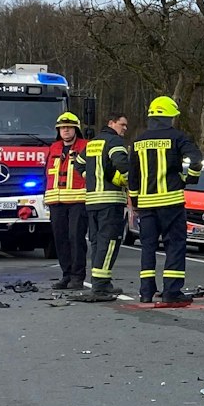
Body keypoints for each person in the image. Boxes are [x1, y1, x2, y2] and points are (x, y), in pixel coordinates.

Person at [128, 96, 202, 305]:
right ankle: (172, 291)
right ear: (170, 117)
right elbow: (196, 160)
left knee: (148, 247)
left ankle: (145, 292)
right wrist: (189, 179)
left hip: (146, 204)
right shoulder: (178, 137)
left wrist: (135, 201)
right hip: (171, 203)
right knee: (175, 245)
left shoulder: (138, 141)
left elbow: (133, 176)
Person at [80, 113, 131, 300]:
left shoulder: (92, 143)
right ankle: (100, 286)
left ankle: (101, 282)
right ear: (111, 123)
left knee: (96, 242)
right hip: (111, 200)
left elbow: (79, 164)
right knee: (109, 243)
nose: (125, 128)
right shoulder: (114, 142)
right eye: (122, 124)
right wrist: (127, 182)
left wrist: (91, 177)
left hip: (92, 201)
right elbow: (122, 164)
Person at [45, 112, 89, 290]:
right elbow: (46, 173)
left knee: (76, 238)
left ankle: (78, 277)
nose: (65, 131)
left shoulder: (86, 146)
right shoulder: (53, 147)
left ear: (76, 129)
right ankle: (66, 275)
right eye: (62, 128)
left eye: (69, 127)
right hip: (56, 201)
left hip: (78, 200)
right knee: (60, 239)